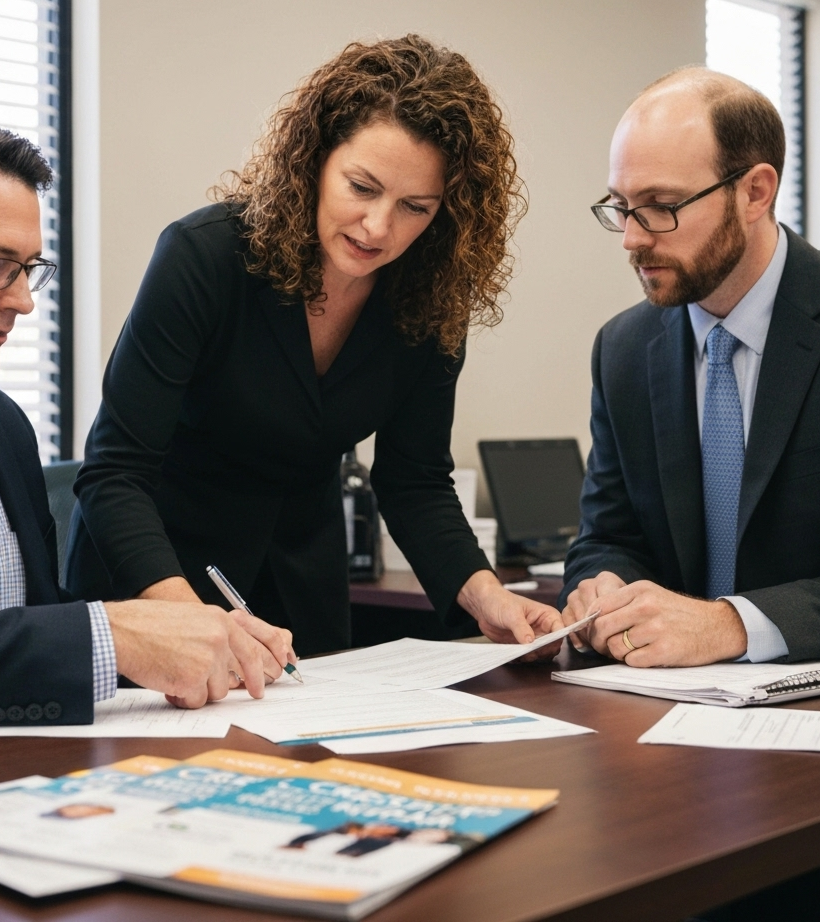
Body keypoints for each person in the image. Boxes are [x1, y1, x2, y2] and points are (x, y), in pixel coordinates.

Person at [66, 35, 563, 655]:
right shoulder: (206, 258)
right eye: (362, 187)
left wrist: (486, 593)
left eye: (415, 207)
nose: (379, 227)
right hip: (155, 582)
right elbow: (116, 473)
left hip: (301, 587)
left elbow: (416, 483)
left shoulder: (429, 300)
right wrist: (187, 621)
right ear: (314, 161)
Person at [0, 104, 293, 735]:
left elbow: (23, 627)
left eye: (29, 268)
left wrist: (183, 641)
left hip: (18, 786)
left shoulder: (2, 426)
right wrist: (114, 636)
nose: (23, 301)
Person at [560, 66, 820, 669]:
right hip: (665, 710)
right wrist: (603, 586)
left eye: (660, 206)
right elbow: (607, 537)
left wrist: (731, 626)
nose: (630, 238)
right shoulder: (624, 349)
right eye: (620, 206)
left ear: (756, 192)